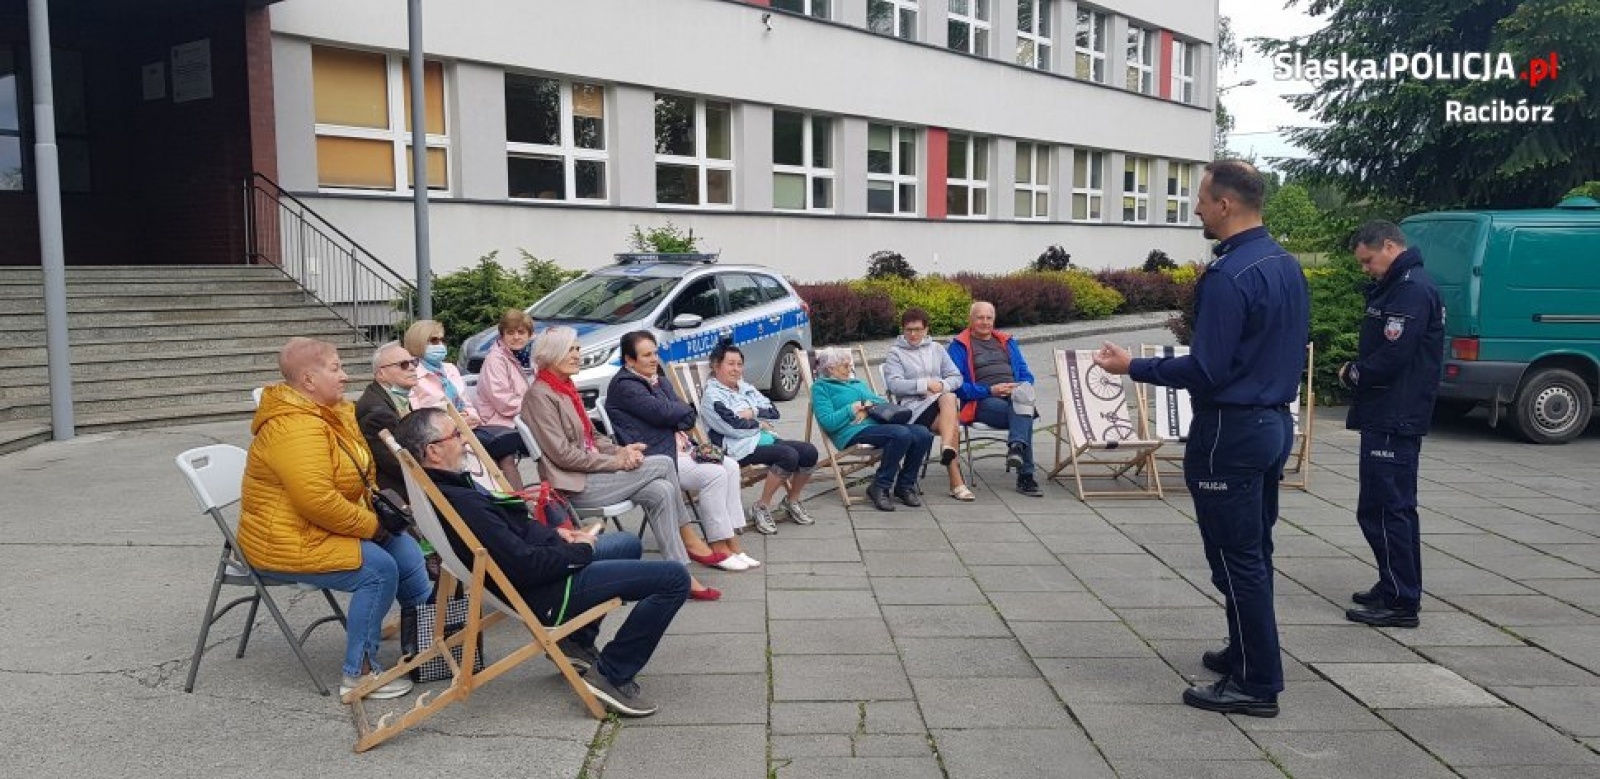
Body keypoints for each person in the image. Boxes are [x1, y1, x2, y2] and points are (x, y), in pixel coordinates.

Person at [1093, 159, 1309, 718]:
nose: (1195, 209)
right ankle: (1244, 651)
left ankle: (1257, 683)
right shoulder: (1284, 265)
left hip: (1230, 433)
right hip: (1273, 425)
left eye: (1201, 199)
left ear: (1226, 204)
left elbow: (1208, 368)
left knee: (1235, 559)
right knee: (1253, 550)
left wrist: (1132, 368)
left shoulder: (1229, 274)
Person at [396, 408, 687, 717]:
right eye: (456, 435)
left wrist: (560, 536)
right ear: (434, 451)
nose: (466, 441)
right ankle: (612, 674)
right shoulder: (463, 501)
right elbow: (525, 564)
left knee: (627, 544)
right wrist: (580, 551)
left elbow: (517, 531)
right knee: (674, 579)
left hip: (539, 573)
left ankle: (575, 642)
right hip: (544, 592)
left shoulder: (451, 486)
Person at [240, 338, 431, 700]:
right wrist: (372, 526)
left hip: (320, 527)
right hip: (284, 540)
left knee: (404, 549)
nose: (345, 377)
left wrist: (381, 522)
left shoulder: (331, 412)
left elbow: (359, 478)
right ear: (308, 381)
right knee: (378, 570)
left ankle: (427, 644)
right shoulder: (294, 427)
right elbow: (317, 501)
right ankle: (358, 673)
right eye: (335, 368)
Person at [521, 326, 721, 601]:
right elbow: (562, 455)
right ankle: (689, 536)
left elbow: (593, 437)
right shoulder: (540, 396)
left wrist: (622, 449)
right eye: (571, 349)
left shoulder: (565, 388)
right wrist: (616, 461)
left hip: (592, 475)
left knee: (661, 490)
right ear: (552, 353)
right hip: (573, 485)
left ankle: (681, 573)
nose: (578, 355)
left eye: (578, 348)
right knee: (662, 463)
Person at [1339, 221, 1444, 629]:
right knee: (1377, 507)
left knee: (1390, 508)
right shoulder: (1401, 285)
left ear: (1388, 246)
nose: (1367, 269)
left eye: (1368, 260)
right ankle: (1392, 584)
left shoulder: (1411, 290)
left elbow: (1395, 354)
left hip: (1395, 414)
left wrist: (1354, 373)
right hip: (1387, 412)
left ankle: (1402, 601)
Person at [605, 331, 761, 572]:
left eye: (655, 353)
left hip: (681, 448)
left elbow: (687, 415)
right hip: (656, 456)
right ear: (629, 360)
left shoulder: (658, 379)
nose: (654, 359)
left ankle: (733, 542)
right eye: (646, 355)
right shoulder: (626, 386)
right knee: (715, 474)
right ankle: (718, 545)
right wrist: (675, 413)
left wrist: (675, 413)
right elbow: (665, 413)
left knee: (730, 466)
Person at [701, 342, 817, 534]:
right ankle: (761, 506)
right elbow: (733, 427)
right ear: (716, 365)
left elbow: (773, 412)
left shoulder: (745, 387)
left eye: (739, 364)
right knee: (788, 456)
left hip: (761, 440)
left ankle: (792, 500)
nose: (736, 369)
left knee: (809, 452)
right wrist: (759, 423)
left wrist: (752, 412)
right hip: (735, 448)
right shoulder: (712, 397)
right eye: (731, 364)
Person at [403, 319, 525, 490]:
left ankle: (519, 503)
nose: (440, 345)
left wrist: (472, 417)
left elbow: (466, 402)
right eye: (433, 341)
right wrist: (457, 424)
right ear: (418, 342)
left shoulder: (449, 369)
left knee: (506, 453)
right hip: (443, 438)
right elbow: (419, 419)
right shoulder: (412, 374)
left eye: (441, 340)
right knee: (483, 462)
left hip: (469, 429)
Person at [811, 346, 935, 512]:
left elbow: (878, 402)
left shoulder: (857, 383)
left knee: (923, 433)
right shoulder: (821, 388)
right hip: (850, 432)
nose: (850, 369)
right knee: (900, 434)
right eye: (845, 366)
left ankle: (905, 485)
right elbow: (828, 422)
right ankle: (880, 486)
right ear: (831, 368)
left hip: (877, 427)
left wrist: (865, 407)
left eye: (850, 365)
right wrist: (851, 409)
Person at [948, 301, 1044, 497]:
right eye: (980, 318)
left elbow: (1027, 375)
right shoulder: (958, 346)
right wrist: (990, 390)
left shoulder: (1007, 342)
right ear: (970, 320)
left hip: (1014, 395)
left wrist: (1018, 386)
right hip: (981, 401)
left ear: (994, 320)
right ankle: (1025, 473)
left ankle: (1017, 448)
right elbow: (956, 385)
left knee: (1021, 403)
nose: (985, 322)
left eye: (989, 318)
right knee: (1025, 412)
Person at [884, 307, 974, 501]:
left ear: (926, 329)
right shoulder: (896, 353)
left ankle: (950, 460)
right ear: (903, 330)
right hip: (913, 410)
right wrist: (924, 385)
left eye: (918, 329)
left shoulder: (937, 349)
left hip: (940, 406)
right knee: (950, 405)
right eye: (909, 330)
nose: (913, 334)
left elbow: (956, 377)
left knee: (948, 399)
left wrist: (941, 384)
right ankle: (954, 478)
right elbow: (894, 384)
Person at [356, 341, 419, 495]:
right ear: (381, 374)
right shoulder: (376, 412)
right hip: (402, 492)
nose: (412, 367)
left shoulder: (394, 395)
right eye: (403, 364)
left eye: (413, 362)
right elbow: (398, 464)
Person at [476, 308, 536, 429]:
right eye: (510, 332)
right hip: (500, 423)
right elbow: (504, 403)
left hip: (523, 417)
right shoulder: (495, 360)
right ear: (502, 335)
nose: (516, 337)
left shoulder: (531, 357)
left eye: (521, 332)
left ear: (530, 335)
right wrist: (536, 407)